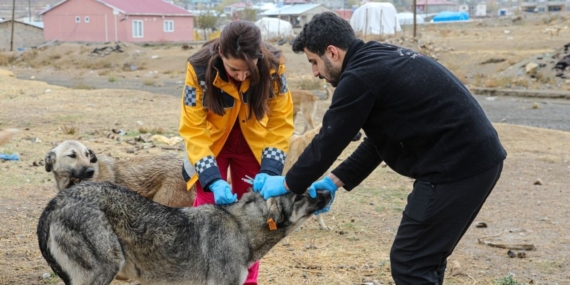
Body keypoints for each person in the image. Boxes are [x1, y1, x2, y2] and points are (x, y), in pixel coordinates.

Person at [255, 12, 507, 285]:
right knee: (424, 259)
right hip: (473, 159)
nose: (315, 73)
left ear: (332, 52)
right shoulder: (375, 59)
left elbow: (328, 140)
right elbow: (380, 142)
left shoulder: (359, 78)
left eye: (314, 62)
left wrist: (289, 182)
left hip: (456, 167)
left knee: (410, 261)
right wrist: (332, 182)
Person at [179, 20, 294, 285]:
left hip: (253, 143)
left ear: (258, 58)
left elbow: (281, 119)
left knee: (254, 218)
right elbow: (193, 127)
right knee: (205, 216)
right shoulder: (197, 68)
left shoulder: (274, 66)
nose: (241, 77)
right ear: (220, 54)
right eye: (234, 69)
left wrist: (270, 169)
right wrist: (212, 178)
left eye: (248, 70)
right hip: (211, 144)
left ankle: (248, 281)